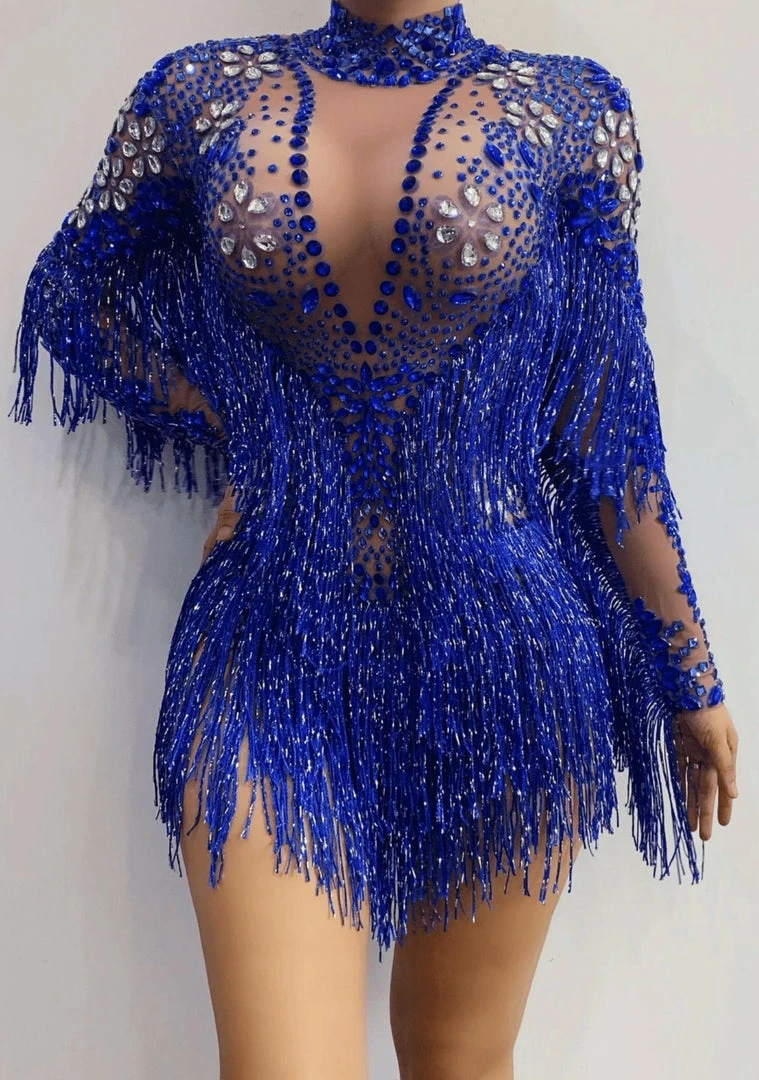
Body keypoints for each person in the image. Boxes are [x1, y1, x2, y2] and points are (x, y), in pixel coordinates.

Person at [10, 2, 740, 1077]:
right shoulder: (197, 96)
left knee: (458, 1061)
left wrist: (691, 675)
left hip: (502, 660)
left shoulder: (571, 111)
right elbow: (73, 297)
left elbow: (607, 429)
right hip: (266, 642)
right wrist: (222, 418)